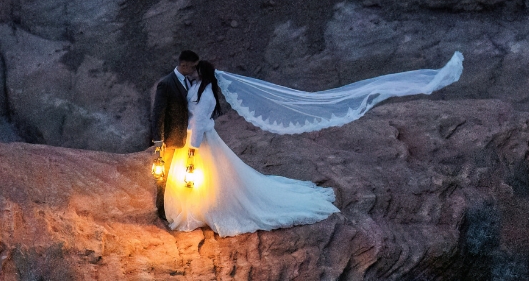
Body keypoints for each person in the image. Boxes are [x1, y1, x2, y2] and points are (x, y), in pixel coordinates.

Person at [152, 51, 464, 237]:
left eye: (193, 70)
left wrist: (191, 148)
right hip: (198, 141)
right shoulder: (196, 86)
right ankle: (195, 209)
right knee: (210, 181)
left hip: (201, 142)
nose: (189, 72)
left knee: (211, 183)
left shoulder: (204, 94)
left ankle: (202, 212)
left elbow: (200, 120)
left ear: (200, 73)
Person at [149, 50, 200, 221]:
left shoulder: (188, 81)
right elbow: (158, 114)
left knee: (181, 173)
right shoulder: (166, 84)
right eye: (192, 67)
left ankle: (176, 205)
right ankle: (161, 209)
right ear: (184, 65)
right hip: (171, 138)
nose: (194, 70)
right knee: (165, 174)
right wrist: (158, 140)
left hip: (186, 137)